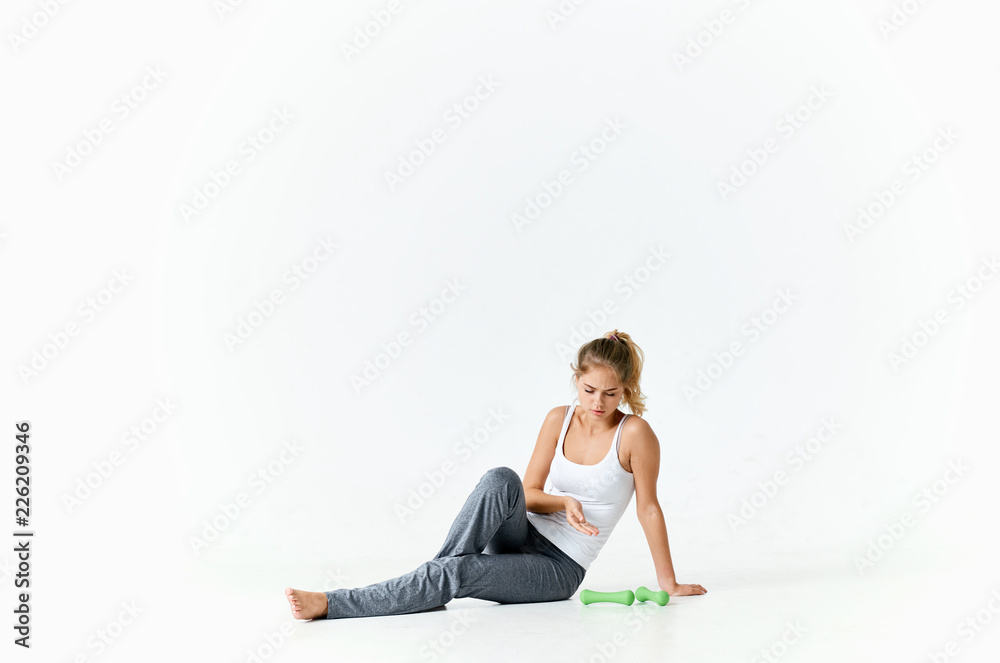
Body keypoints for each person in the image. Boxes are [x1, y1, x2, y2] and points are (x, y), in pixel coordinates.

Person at [285, 329, 706, 620]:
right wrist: (563, 502)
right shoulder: (558, 418)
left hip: (557, 568)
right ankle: (433, 584)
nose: (598, 402)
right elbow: (528, 492)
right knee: (500, 478)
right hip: (520, 532)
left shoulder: (634, 434)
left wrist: (668, 582)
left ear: (626, 390)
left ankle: (334, 603)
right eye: (589, 390)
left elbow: (649, 508)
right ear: (576, 380)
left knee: (459, 573)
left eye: (611, 394)